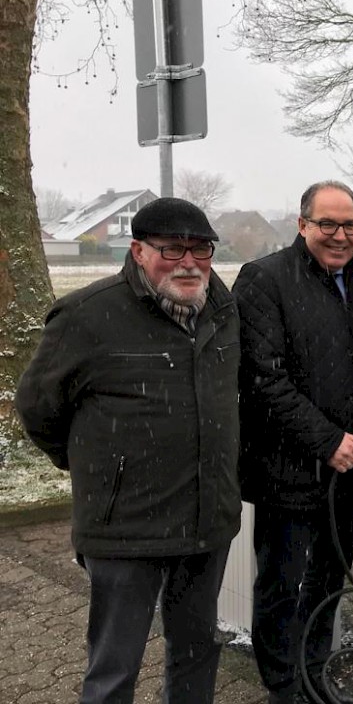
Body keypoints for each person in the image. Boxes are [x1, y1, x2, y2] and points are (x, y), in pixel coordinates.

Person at [15, 197, 241, 704]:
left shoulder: (223, 310)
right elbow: (37, 410)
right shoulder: (87, 315)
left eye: (201, 249)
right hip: (124, 528)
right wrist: (102, 471)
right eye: (172, 249)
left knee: (197, 651)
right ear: (138, 251)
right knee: (115, 666)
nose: (188, 262)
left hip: (207, 520)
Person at [233, 179, 353, 704]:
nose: (340, 235)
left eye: (349, 225)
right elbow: (263, 380)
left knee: (328, 581)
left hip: (347, 465)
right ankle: (283, 689)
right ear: (302, 225)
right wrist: (325, 440)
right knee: (283, 587)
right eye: (327, 224)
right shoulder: (264, 280)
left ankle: (316, 674)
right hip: (288, 472)